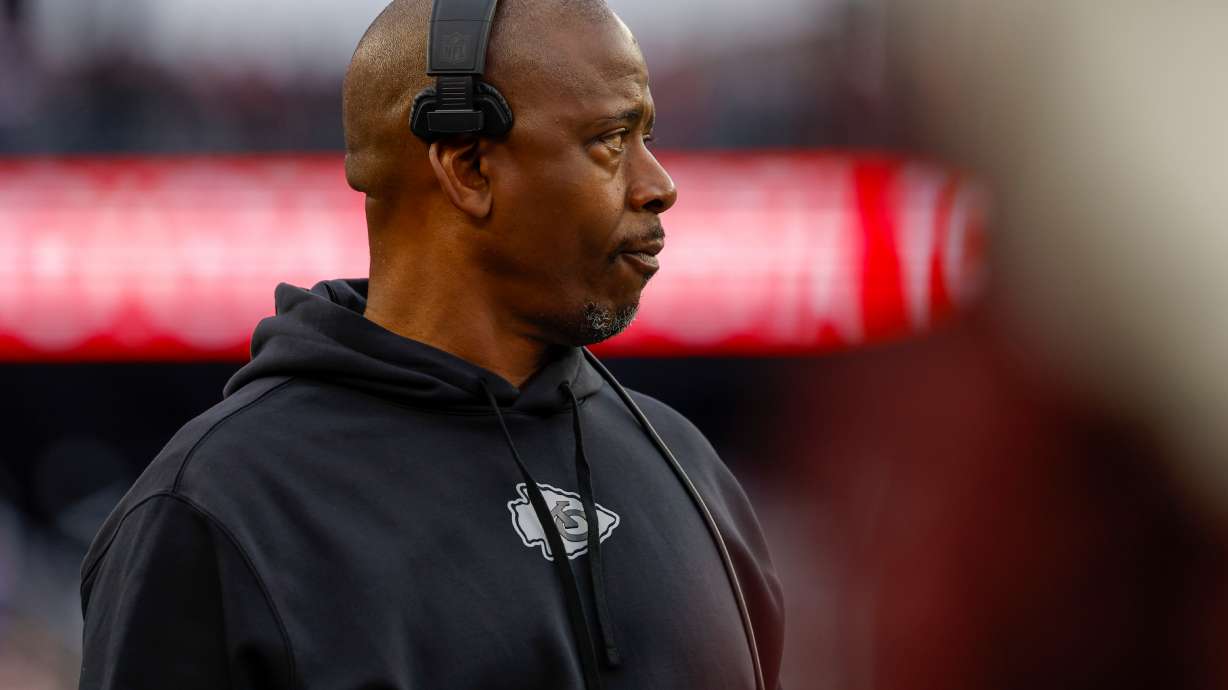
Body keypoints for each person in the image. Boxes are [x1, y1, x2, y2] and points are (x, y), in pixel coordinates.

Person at [77, 1, 784, 688]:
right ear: (467, 167)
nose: (659, 186)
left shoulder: (687, 465)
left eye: (648, 138)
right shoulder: (219, 508)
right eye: (610, 141)